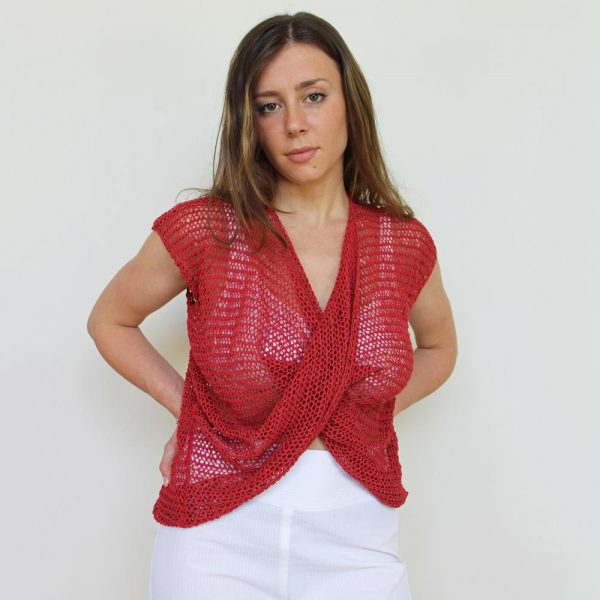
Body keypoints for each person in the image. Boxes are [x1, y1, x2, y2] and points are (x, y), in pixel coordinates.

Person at [87, 11, 457, 600]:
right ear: (249, 121)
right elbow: (110, 320)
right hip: (216, 534)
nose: (294, 124)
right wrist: (192, 414)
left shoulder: (401, 243)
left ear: (350, 102)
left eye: (314, 96)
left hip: (356, 538)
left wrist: (369, 412)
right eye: (269, 105)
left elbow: (439, 348)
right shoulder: (209, 231)